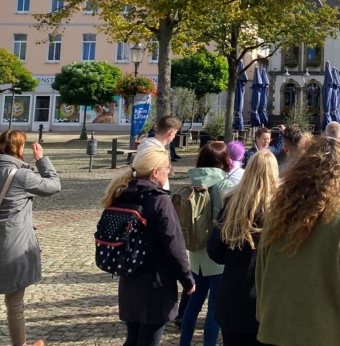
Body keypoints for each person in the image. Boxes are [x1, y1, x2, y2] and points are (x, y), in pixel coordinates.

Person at [256, 137, 340, 346]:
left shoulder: (278, 212)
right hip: (324, 335)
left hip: (275, 329)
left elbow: (261, 271)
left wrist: (264, 315)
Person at [0, 130, 61, 346]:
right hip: (14, 250)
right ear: (19, 149)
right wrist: (41, 160)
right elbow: (54, 186)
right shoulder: (22, 176)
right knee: (15, 306)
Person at [102, 146, 194, 346]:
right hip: (156, 283)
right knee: (147, 340)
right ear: (155, 172)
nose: (169, 172)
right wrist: (188, 281)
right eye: (167, 168)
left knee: (133, 337)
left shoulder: (122, 194)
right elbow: (174, 245)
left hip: (129, 278)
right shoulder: (159, 200)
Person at [207, 150, 280, 346]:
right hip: (269, 299)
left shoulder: (233, 203)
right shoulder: (281, 208)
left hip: (235, 296)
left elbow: (215, 251)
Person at [179, 141, 236, 346]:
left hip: (196, 252)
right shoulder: (225, 185)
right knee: (214, 308)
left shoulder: (193, 183)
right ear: (223, 161)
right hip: (218, 255)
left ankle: (184, 343)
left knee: (193, 303)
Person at [138, 115, 183, 188]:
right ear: (170, 132)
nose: (174, 137)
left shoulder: (148, 145)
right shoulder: (153, 150)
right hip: (154, 194)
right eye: (175, 133)